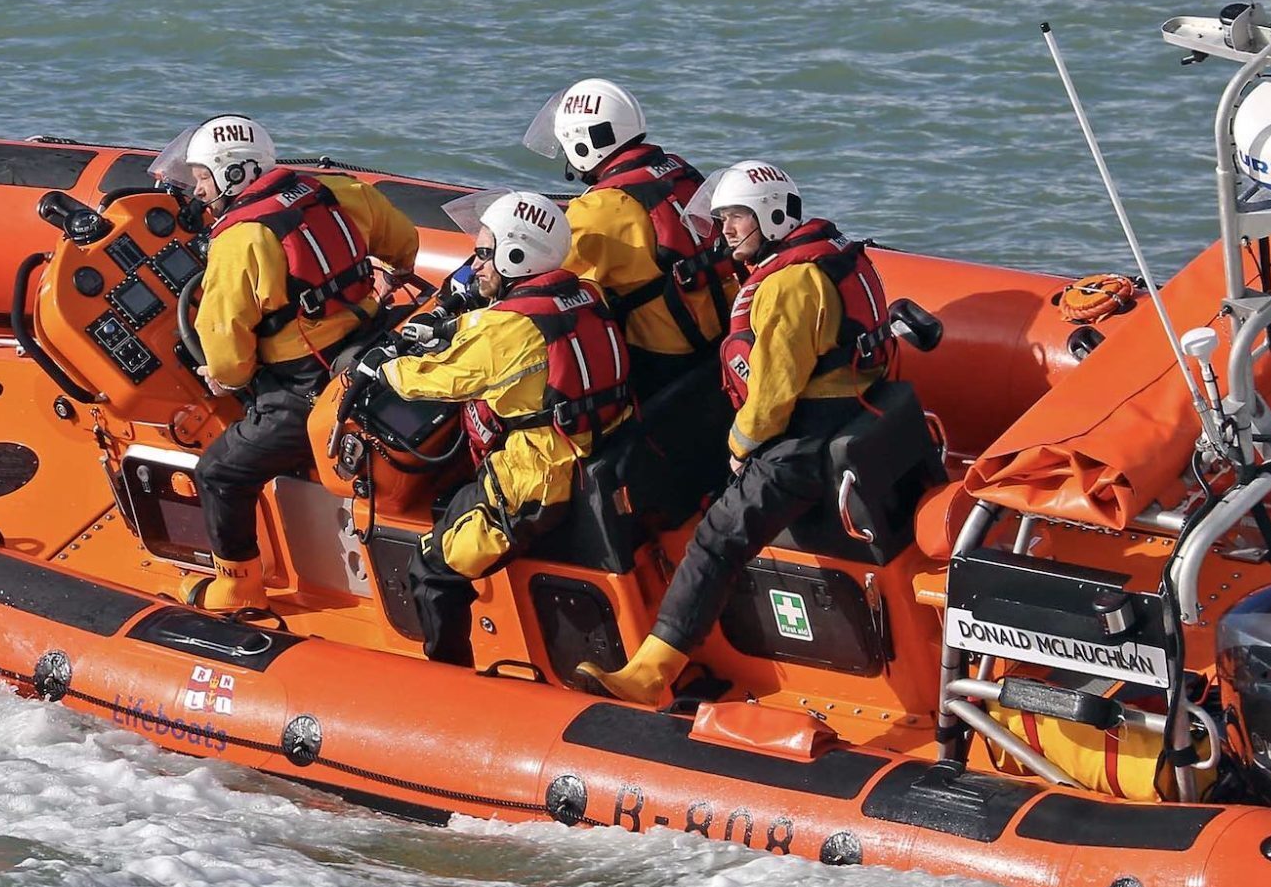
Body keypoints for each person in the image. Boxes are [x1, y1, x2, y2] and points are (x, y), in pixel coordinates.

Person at [582, 161, 892, 705]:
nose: (724, 231)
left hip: (805, 440)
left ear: (770, 216)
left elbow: (771, 395)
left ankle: (652, 671)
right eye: (721, 218)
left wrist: (738, 448)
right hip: (852, 414)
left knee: (715, 538)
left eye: (736, 218)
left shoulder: (787, 285)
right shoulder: (834, 254)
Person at [155, 114, 420, 615]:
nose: (198, 188)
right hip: (371, 344)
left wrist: (221, 374)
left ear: (234, 174)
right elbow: (403, 243)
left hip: (306, 388)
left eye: (203, 176)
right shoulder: (338, 190)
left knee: (219, 471)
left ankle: (239, 589)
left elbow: (229, 357)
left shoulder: (238, 241)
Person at [380, 191, 635, 666]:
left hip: (532, 482)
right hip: (595, 451)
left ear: (515, 254)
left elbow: (437, 380)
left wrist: (380, 369)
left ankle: (448, 674)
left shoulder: (506, 331)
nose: (475, 267)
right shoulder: (586, 294)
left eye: (483, 254)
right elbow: (501, 330)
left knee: (431, 567)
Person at [523, 79, 728, 395]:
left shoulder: (599, 209)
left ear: (582, 144)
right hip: (716, 336)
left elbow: (542, 283)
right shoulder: (676, 168)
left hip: (663, 360)